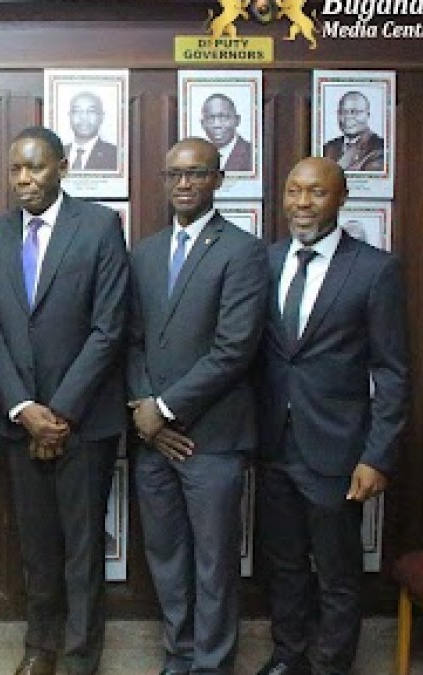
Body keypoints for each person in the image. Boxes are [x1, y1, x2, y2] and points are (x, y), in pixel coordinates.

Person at [0, 126, 128, 675]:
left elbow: (109, 328)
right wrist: (24, 408)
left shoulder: (101, 225)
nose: (23, 179)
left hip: (84, 421)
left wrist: (58, 413)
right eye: (15, 168)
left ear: (62, 166)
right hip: (23, 420)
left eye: (35, 168)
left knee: (83, 548)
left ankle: (82, 656)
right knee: (36, 547)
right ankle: (40, 646)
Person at [254, 157, 409, 675]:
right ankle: (287, 656)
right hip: (274, 442)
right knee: (284, 564)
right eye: (294, 191)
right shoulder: (266, 261)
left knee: (338, 572)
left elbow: (391, 372)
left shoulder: (374, 269)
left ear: (341, 198)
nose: (302, 203)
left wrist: (377, 455)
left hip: (339, 451)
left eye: (316, 193)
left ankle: (331, 666)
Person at [126, 138, 269, 675]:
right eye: (175, 175)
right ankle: (178, 655)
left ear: (217, 180)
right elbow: (131, 340)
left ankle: (211, 664)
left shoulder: (242, 250)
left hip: (214, 437)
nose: (184, 184)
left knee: (213, 563)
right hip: (153, 439)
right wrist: (147, 414)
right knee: (165, 557)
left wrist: (163, 408)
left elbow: (234, 348)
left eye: (196, 174)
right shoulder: (144, 251)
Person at [322, 91, 385, 172]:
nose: (348, 117)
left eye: (354, 112)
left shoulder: (380, 147)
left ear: (367, 115)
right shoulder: (328, 147)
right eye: (343, 112)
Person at [62, 91, 118, 171]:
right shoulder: (58, 154)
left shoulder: (114, 155)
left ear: (101, 117)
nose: (84, 117)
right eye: (77, 111)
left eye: (91, 111)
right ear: (69, 116)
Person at [200, 93, 253, 172]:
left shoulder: (252, 154)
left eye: (223, 117)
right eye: (210, 118)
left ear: (237, 120)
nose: (217, 125)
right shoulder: (197, 155)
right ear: (202, 124)